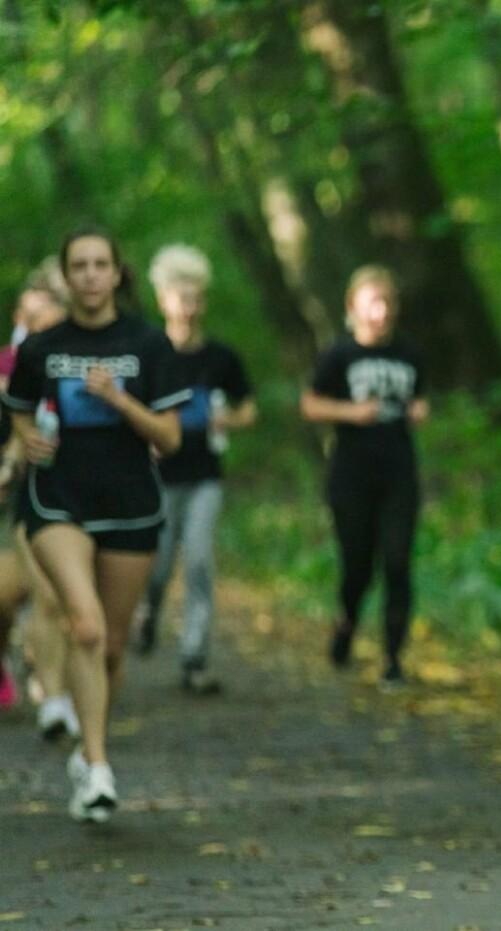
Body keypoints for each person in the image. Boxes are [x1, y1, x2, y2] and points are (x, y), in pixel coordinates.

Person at [3, 228, 188, 822]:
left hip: (131, 502)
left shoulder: (148, 343)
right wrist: (22, 439)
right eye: (77, 265)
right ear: (66, 276)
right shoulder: (40, 349)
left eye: (99, 264)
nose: (88, 275)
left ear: (115, 274)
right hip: (57, 500)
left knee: (108, 645)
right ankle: (100, 768)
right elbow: (19, 417)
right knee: (82, 626)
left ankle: (89, 746)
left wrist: (119, 400)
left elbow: (169, 437)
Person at [134, 244, 256, 695]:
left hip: (205, 475)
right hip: (158, 477)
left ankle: (194, 658)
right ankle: (146, 612)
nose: (187, 305)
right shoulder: (147, 353)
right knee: (159, 566)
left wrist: (227, 419)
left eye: (194, 296)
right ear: (163, 299)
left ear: (203, 301)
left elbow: (249, 410)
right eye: (178, 295)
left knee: (200, 561)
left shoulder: (220, 358)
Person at [300, 265, 427, 690]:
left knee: (396, 562)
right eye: (373, 301)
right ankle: (348, 622)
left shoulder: (409, 352)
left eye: (388, 301)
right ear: (353, 307)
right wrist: (351, 412)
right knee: (358, 567)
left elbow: (420, 398)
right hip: (351, 475)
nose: (382, 310)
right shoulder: (340, 354)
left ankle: (392, 659)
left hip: (399, 474)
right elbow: (311, 405)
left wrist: (419, 410)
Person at [0, 269, 78, 736]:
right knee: (31, 595)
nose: (34, 329)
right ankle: (52, 695)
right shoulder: (11, 370)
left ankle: (64, 687)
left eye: (44, 319)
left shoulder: (83, 367)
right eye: (27, 319)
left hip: (85, 496)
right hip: (27, 499)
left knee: (66, 601)